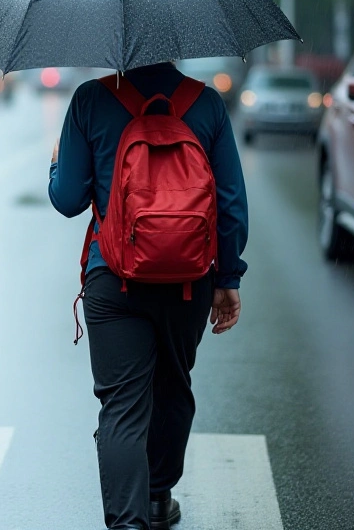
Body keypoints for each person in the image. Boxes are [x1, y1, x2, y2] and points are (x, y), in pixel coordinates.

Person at [48, 62, 247, 530]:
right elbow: (231, 202)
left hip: (113, 279)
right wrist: (228, 279)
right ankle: (158, 498)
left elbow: (67, 199)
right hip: (187, 281)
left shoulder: (91, 101)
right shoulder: (207, 105)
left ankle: (128, 523)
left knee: (121, 407)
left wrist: (58, 163)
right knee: (173, 388)